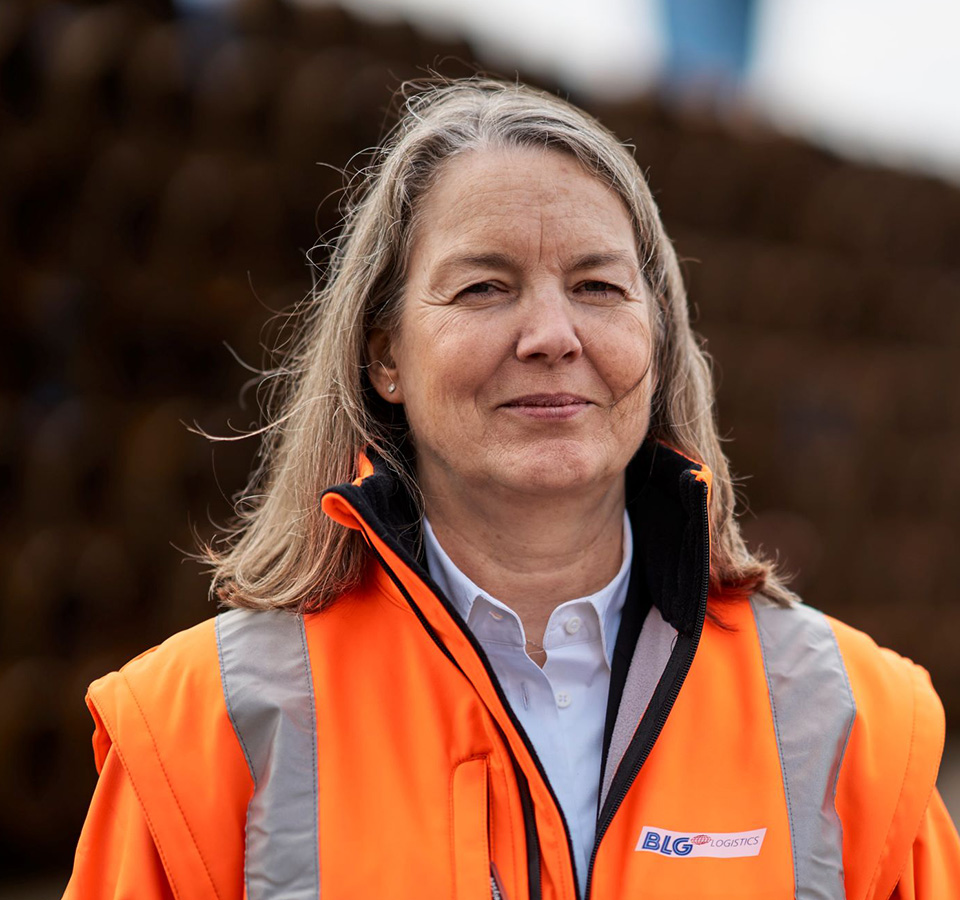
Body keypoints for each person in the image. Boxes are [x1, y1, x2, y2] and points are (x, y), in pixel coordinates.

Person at [64, 78, 960, 900]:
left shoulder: (851, 725)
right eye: (486, 287)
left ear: (656, 343)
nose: (551, 335)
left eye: (598, 285)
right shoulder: (199, 732)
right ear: (385, 356)